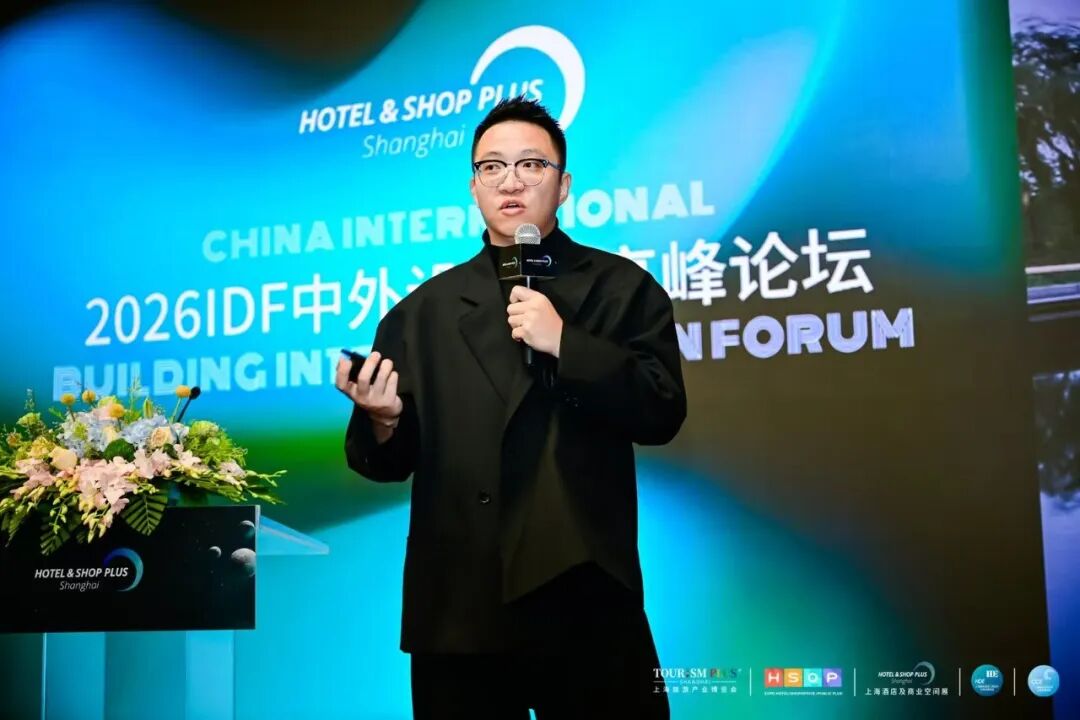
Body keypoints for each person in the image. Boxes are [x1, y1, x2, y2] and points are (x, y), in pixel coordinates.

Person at [335, 97, 686, 719]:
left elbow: (661, 410)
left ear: (563, 184)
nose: (511, 181)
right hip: (461, 602)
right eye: (492, 167)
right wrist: (383, 420)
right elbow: (387, 462)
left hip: (585, 596)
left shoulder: (622, 287)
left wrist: (567, 343)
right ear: (473, 187)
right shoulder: (422, 312)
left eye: (531, 164)